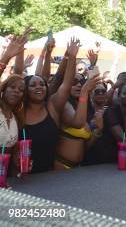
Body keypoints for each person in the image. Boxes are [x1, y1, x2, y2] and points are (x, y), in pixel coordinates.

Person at [21, 38, 81, 173]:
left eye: (42, 84)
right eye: (33, 85)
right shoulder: (19, 111)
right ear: (25, 90)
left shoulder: (52, 107)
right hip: (20, 176)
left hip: (49, 175)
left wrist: (72, 57)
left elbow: (65, 85)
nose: (39, 87)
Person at [84, 83, 126, 165]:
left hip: (119, 162)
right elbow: (121, 138)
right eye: (125, 93)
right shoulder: (111, 111)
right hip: (99, 161)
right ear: (118, 97)